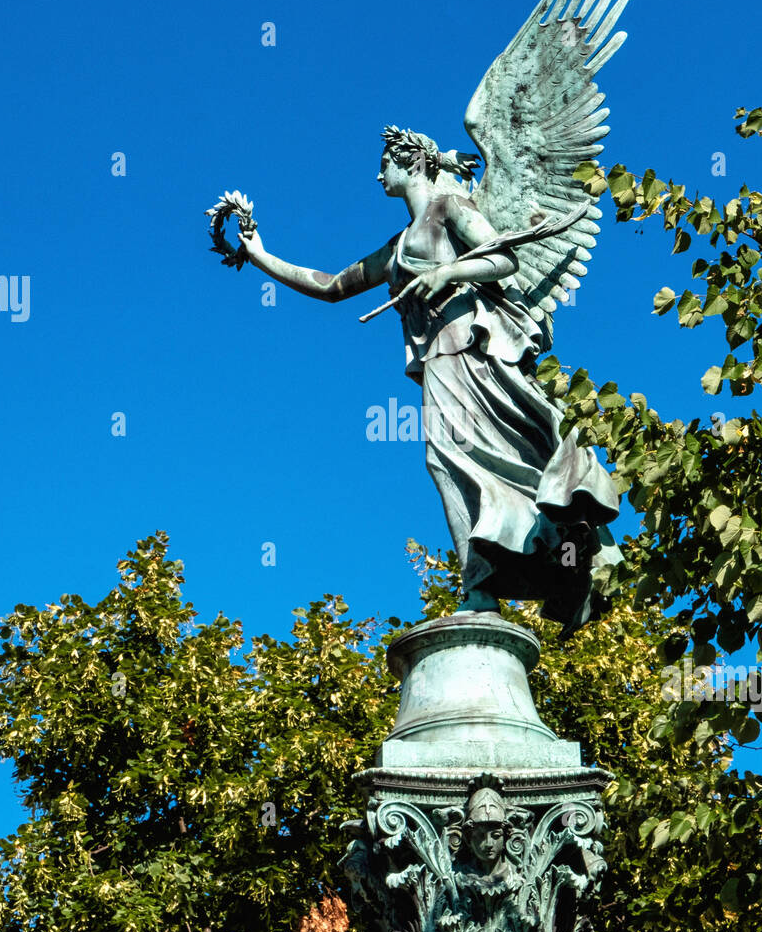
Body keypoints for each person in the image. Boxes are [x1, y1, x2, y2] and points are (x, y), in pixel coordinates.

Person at [237, 126, 622, 635]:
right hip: (439, 361)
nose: (379, 175)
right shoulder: (397, 245)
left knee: (472, 457)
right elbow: (333, 286)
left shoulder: (448, 209)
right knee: (444, 462)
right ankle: (482, 586)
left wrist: (447, 274)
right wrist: (260, 255)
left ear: (411, 160)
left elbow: (505, 256)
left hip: (472, 348)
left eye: (385, 164)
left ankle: (516, 572)